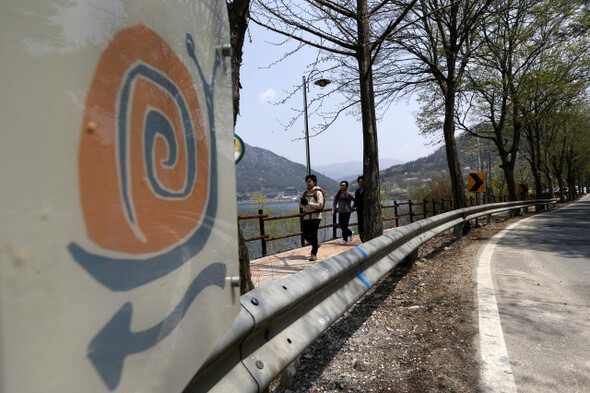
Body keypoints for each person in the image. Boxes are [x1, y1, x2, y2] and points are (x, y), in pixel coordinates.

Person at [300, 174, 324, 261]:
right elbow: (301, 206)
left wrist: (308, 203)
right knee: (305, 234)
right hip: (307, 216)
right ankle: (316, 244)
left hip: (316, 216)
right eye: (307, 182)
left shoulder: (318, 192)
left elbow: (320, 205)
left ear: (314, 182)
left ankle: (314, 254)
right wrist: (302, 203)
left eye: (310, 181)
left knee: (314, 235)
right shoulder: (305, 193)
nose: (308, 183)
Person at [353, 176, 364, 242]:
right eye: (359, 181)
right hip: (359, 210)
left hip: (366, 211)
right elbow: (355, 201)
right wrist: (352, 208)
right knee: (360, 225)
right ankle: (362, 238)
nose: (360, 183)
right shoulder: (357, 191)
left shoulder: (367, 190)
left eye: (362, 182)